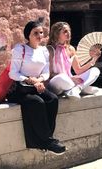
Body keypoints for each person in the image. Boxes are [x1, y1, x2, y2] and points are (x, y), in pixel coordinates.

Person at [7, 20, 65, 154]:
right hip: (19, 88)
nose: (39, 35)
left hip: (36, 86)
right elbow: (13, 73)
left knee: (53, 99)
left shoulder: (44, 51)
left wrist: (39, 80)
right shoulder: (19, 50)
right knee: (37, 102)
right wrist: (28, 79)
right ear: (28, 35)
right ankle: (48, 141)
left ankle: (46, 139)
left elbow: (46, 72)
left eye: (41, 32)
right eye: (35, 33)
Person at [46, 22, 101, 99]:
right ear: (57, 33)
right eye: (65, 31)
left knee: (95, 70)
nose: (68, 33)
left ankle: (77, 89)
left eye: (69, 31)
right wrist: (71, 79)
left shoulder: (71, 49)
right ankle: (82, 88)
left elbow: (78, 70)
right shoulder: (50, 49)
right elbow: (50, 74)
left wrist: (93, 59)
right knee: (62, 77)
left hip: (69, 81)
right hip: (56, 82)